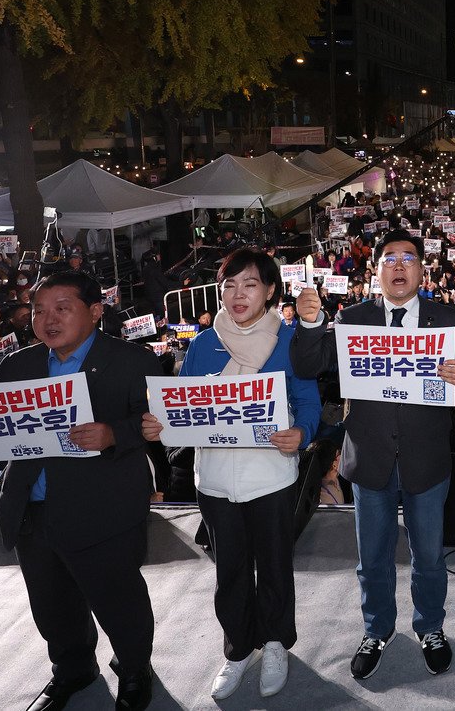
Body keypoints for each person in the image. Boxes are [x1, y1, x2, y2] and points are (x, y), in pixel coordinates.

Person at [0, 271, 161, 711]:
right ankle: (73, 671)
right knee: (51, 606)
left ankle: (135, 669)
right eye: (39, 310)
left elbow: (159, 424)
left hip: (103, 509)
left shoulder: (133, 361)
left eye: (62, 308)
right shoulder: (19, 364)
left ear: (95, 311)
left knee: (118, 600)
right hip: (31, 508)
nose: (47, 319)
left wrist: (115, 433)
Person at [291, 230, 455, 679]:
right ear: (375, 271)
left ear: (421, 270)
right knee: (372, 557)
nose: (398, 266)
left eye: (408, 258)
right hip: (369, 457)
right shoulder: (352, 317)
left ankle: (431, 626)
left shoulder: (447, 320)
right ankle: (376, 629)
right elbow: (306, 366)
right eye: (389, 258)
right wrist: (312, 324)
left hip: (427, 459)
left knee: (429, 556)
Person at [140, 249, 320, 700]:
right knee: (230, 570)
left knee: (276, 565)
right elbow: (184, 407)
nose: (238, 295)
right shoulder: (202, 343)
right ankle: (238, 649)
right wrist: (160, 423)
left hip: (271, 475)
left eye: (250, 284)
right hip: (216, 479)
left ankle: (276, 642)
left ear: (271, 290)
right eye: (229, 285)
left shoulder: (290, 340)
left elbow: (308, 400)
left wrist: (302, 430)